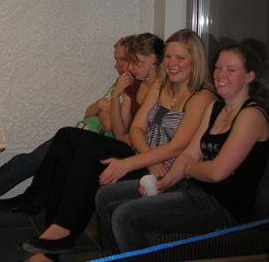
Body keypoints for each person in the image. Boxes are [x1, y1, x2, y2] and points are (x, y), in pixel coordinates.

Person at [19, 29, 216, 260]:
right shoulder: (162, 86)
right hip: (147, 159)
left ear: (195, 60)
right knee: (74, 144)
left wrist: (136, 163)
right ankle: (56, 233)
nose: (172, 64)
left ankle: (56, 234)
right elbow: (136, 128)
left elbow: (177, 148)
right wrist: (147, 159)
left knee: (87, 153)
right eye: (169, 57)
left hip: (169, 172)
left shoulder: (202, 97)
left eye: (180, 58)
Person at [95, 40, 269, 253]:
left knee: (125, 216)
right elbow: (189, 154)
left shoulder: (251, 115)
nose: (221, 75)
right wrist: (163, 184)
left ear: (249, 76)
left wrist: (186, 168)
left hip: (223, 206)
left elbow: (216, 172)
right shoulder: (216, 107)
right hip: (192, 188)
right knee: (106, 198)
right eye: (218, 67)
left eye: (231, 70)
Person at [0, 33, 164, 214]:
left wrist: (116, 122)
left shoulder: (158, 88)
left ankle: (33, 201)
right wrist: (114, 97)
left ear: (153, 60)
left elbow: (120, 130)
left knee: (64, 141)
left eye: (135, 62)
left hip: (130, 149)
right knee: (62, 142)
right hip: (120, 141)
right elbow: (117, 130)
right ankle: (37, 203)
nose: (129, 66)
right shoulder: (134, 85)